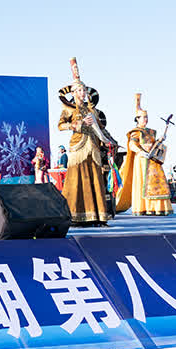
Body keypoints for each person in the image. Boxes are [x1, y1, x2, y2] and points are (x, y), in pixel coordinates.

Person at [57, 58, 115, 226]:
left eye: (84, 90)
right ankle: (75, 215)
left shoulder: (92, 110)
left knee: (95, 179)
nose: (83, 93)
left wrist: (110, 140)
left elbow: (101, 128)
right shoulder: (69, 108)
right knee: (76, 180)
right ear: (74, 92)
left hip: (94, 147)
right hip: (78, 146)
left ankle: (96, 216)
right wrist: (77, 124)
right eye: (80, 90)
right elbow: (60, 126)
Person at [115, 94, 173, 216]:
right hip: (142, 160)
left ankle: (156, 207)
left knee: (157, 182)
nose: (145, 119)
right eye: (143, 117)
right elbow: (132, 144)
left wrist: (160, 140)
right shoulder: (136, 132)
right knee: (142, 183)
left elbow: (153, 144)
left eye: (146, 117)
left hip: (153, 159)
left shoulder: (151, 131)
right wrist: (140, 152)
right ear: (137, 119)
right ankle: (143, 206)